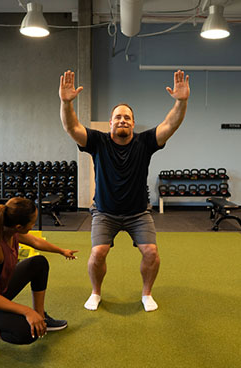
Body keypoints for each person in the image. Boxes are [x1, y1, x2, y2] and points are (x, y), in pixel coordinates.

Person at [59, 69, 190, 312]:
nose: (122, 120)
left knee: (151, 252)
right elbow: (71, 127)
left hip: (138, 213)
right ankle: (96, 292)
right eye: (118, 117)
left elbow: (171, 123)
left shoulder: (146, 142)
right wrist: (66, 103)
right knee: (98, 253)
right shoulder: (98, 141)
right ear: (110, 123)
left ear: (132, 123)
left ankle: (146, 294)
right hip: (105, 212)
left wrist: (181, 102)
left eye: (127, 118)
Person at [0, 197, 78, 357]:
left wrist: (62, 250)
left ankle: (41, 316)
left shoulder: (11, 231)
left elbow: (35, 241)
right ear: (19, 226)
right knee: (28, 332)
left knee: (39, 263)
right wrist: (27, 312)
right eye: (32, 222)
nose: (33, 225)